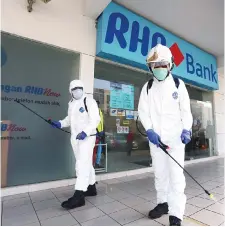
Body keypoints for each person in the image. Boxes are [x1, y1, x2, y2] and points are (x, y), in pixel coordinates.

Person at [138, 44, 193, 226]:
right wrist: (150, 130)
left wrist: (187, 129)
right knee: (160, 174)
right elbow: (143, 112)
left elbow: (186, 111)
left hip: (176, 140)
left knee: (176, 177)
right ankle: (163, 203)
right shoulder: (147, 87)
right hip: (156, 141)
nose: (159, 68)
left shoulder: (178, 84)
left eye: (163, 64)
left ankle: (176, 214)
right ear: (150, 67)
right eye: (155, 65)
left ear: (170, 65)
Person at [51, 80, 100, 210]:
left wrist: (85, 132)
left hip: (87, 137)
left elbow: (95, 119)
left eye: (79, 88)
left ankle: (79, 195)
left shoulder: (89, 101)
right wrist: (60, 123)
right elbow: (69, 119)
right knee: (85, 163)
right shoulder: (71, 104)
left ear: (83, 89)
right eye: (74, 88)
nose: (77, 90)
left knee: (81, 164)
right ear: (70, 91)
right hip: (75, 138)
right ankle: (91, 187)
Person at [95, 101, 104, 168]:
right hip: (95, 133)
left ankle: (97, 163)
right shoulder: (94, 111)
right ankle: (93, 163)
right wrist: (97, 132)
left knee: (99, 148)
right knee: (93, 148)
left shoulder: (99, 111)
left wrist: (101, 131)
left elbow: (100, 122)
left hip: (100, 132)